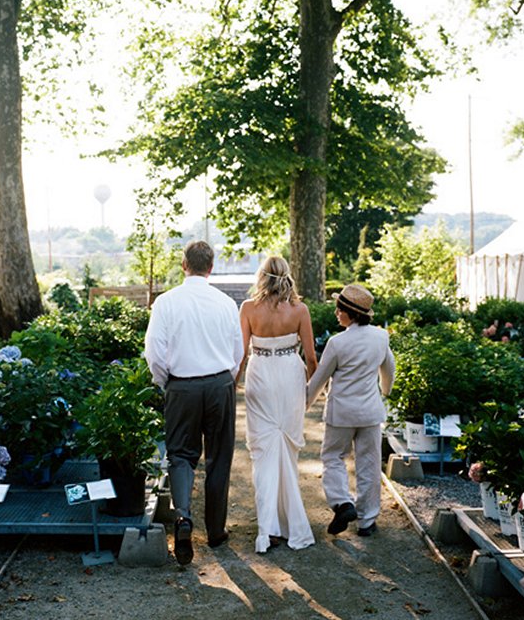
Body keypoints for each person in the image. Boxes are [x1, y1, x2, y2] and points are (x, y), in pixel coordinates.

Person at [144, 240, 244, 565]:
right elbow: (237, 353)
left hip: (181, 387)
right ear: (211, 267)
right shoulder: (227, 303)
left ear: (183, 265)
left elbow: (155, 351)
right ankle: (216, 531)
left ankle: (184, 517)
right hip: (219, 384)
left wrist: (166, 383)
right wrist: (223, 378)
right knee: (219, 457)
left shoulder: (166, 302)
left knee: (181, 456)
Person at [238, 256, 317, 553]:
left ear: (261, 277)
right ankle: (287, 523)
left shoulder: (248, 309)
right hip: (289, 377)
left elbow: (241, 354)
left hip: (260, 377)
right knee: (286, 448)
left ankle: (268, 528)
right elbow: (311, 359)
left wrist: (233, 384)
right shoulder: (300, 310)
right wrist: (311, 393)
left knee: (263, 452)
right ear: (287, 276)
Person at [306, 284, 395, 537]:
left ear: (350, 313)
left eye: (339, 309)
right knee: (368, 463)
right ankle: (367, 521)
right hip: (370, 412)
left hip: (342, 414)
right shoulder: (381, 337)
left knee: (333, 457)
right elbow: (389, 368)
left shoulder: (337, 343)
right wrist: (385, 392)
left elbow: (319, 379)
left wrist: (305, 403)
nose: (336, 313)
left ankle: (342, 503)